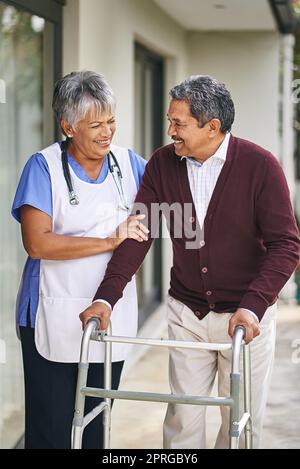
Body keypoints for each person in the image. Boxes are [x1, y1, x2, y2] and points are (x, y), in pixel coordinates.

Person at [79, 75, 300, 449]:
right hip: (188, 314)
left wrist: (253, 306)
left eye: (179, 124)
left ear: (212, 127)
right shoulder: (164, 164)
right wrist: (106, 297)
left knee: (241, 426)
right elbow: (139, 234)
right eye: (170, 121)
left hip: (247, 319)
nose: (170, 131)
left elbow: (285, 246)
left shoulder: (261, 166)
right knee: (182, 421)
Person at [11, 70, 148, 449]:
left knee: (95, 426)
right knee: (52, 429)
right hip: (49, 314)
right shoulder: (44, 167)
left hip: (110, 313)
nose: (107, 133)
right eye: (95, 125)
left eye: (111, 121)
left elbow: (164, 209)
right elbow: (38, 244)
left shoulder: (130, 164)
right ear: (68, 126)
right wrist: (110, 240)